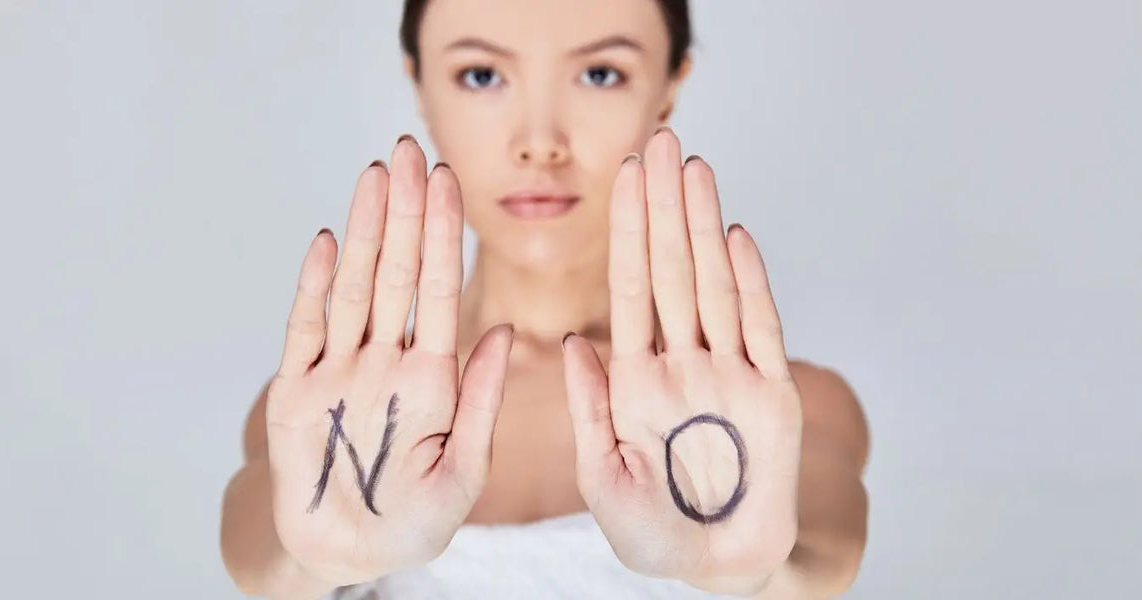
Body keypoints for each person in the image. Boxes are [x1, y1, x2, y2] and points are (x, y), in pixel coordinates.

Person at [220, 0, 870, 598]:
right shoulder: (335, 414)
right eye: (480, 75)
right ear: (418, 83)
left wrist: (757, 571)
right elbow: (261, 557)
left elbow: (818, 556)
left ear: (671, 85)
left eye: (599, 74)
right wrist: (316, 561)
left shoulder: (778, 407)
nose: (539, 141)